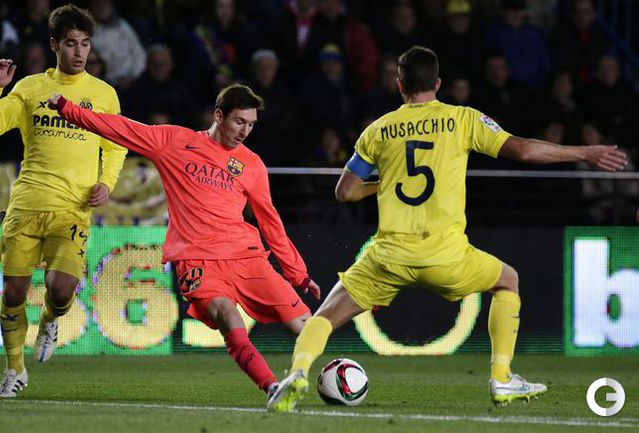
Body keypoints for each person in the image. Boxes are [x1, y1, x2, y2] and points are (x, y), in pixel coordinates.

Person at [267, 46, 627, 412]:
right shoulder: (463, 119)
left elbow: (344, 192)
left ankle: (297, 373)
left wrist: (384, 183)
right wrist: (585, 153)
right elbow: (524, 151)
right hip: (446, 256)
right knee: (507, 281)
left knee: (324, 317)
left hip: (389, 257)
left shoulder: (378, 130)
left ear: (399, 84)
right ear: (438, 83)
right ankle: (501, 377)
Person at [45, 83, 322, 398]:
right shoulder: (175, 142)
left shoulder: (252, 164)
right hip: (198, 261)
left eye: (251, 124)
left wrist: (298, 274)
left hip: (246, 257)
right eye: (239, 122)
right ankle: (273, 388)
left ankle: (332, 375)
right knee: (227, 315)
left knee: (305, 324)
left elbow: (270, 222)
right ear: (219, 116)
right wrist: (68, 109)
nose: (245, 131)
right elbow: (120, 128)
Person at [0, 4, 127, 398]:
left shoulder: (104, 95)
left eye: (85, 43)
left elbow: (115, 147)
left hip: (72, 209)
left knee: (61, 290)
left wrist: (107, 183)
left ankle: (50, 319)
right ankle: (14, 370)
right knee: (13, 294)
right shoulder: (30, 88)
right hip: (27, 205)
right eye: (71, 43)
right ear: (54, 45)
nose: (79, 51)